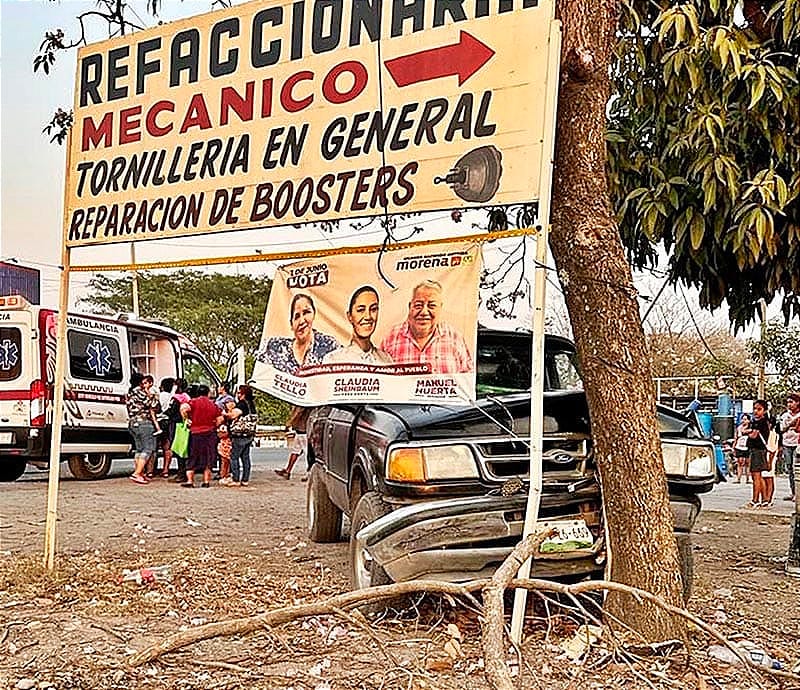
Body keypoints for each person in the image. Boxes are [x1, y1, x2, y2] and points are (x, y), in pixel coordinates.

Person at [380, 280, 473, 374]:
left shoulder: (454, 338)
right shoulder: (391, 338)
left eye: (431, 306)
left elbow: (467, 380)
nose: (424, 312)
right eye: (418, 305)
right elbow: (380, 378)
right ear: (409, 307)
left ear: (440, 308)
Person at [257, 293, 338, 374]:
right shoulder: (274, 347)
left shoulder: (329, 346)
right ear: (291, 324)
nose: (302, 321)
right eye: (297, 316)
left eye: (306, 312)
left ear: (314, 314)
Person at [323, 286, 393, 364]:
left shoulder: (386, 360)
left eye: (373, 309)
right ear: (350, 317)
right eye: (361, 310)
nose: (368, 316)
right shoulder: (334, 360)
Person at [181, 384, 221, 488]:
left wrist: (186, 419)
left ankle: (190, 481)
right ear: (208, 393)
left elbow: (184, 408)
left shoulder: (193, 402)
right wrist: (214, 425)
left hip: (195, 433)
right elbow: (220, 418)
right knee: (208, 457)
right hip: (210, 433)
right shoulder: (213, 404)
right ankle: (206, 481)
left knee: (193, 456)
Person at [126, 373, 160, 485]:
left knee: (139, 449)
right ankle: (137, 473)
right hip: (144, 422)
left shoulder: (129, 392)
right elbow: (153, 404)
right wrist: (149, 392)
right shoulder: (140, 392)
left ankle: (140, 473)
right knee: (148, 448)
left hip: (132, 422)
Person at [224, 384, 257, 487]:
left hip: (240, 435)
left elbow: (233, 415)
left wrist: (225, 413)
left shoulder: (242, 404)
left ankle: (236, 479)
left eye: (239, 393)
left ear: (243, 394)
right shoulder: (251, 404)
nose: (237, 395)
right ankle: (245, 479)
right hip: (249, 434)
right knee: (245, 457)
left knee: (234, 457)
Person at [745, 400, 771, 508]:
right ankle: (764, 500)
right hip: (754, 450)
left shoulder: (762, 422)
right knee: (758, 476)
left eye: (759, 409)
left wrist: (747, 431)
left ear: (764, 411)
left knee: (756, 476)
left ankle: (755, 500)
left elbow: (753, 435)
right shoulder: (754, 421)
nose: (756, 411)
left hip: (758, 450)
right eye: (755, 409)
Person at [275, 405, 311, 480]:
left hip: (303, 430)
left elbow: (298, 413)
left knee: (307, 453)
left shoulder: (302, 402)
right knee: (295, 451)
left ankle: (309, 473)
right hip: (301, 430)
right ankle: (288, 470)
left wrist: (290, 423)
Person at [780, 392, 800, 501]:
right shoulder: (785, 416)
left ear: (797, 403)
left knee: (796, 468)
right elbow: (782, 429)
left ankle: (798, 493)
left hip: (797, 444)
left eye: (791, 402)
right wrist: (790, 424)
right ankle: (793, 492)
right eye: (788, 402)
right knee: (790, 469)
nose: (789, 404)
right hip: (787, 443)